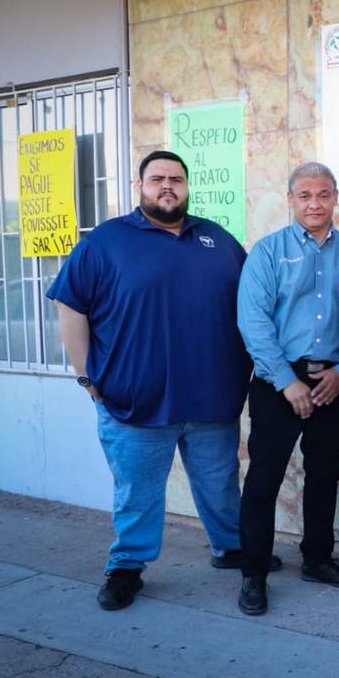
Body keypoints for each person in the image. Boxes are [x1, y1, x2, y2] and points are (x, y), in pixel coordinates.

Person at [47, 150, 259, 611]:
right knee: (137, 494)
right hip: (134, 403)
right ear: (140, 187)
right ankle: (127, 568)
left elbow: (251, 304)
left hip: (212, 399)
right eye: (157, 178)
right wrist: (87, 376)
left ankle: (232, 549)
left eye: (176, 179)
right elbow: (70, 306)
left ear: (187, 186)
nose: (168, 186)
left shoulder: (218, 240)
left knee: (221, 485)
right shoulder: (106, 241)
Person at [234, 162, 339, 616]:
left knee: (325, 473)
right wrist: (286, 381)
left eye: (324, 194)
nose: (315, 204)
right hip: (278, 381)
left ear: (335, 197)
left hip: (334, 383)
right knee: (264, 477)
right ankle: (253, 571)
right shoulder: (268, 252)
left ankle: (318, 559)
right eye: (305, 195)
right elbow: (253, 322)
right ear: (290, 200)